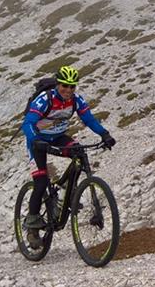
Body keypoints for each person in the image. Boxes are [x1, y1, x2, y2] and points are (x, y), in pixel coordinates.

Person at [21, 64, 115, 248]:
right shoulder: (44, 99)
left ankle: (67, 193)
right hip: (38, 142)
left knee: (79, 152)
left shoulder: (75, 100)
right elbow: (28, 123)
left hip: (58, 137)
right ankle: (32, 226)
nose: (68, 90)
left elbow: (88, 119)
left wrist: (104, 134)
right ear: (58, 84)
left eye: (72, 86)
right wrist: (35, 140)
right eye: (65, 85)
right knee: (40, 183)